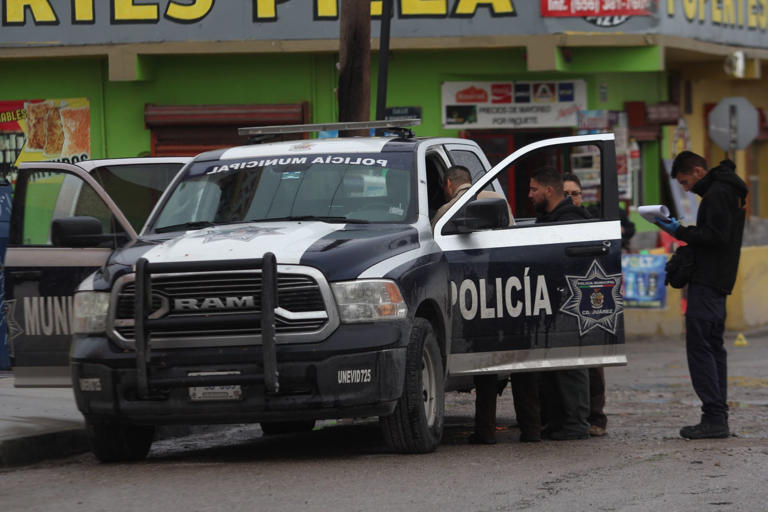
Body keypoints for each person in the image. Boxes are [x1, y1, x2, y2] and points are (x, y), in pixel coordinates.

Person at [432, 165, 541, 444]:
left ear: (448, 184)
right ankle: (532, 429)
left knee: (485, 366)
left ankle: (486, 430)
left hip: (474, 295)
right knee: (521, 364)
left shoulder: (446, 212)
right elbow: (514, 242)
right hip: (510, 292)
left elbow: (437, 254)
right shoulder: (498, 200)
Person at [656, 151, 747, 440]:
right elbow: (717, 234)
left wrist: (680, 231)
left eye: (686, 182)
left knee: (701, 347)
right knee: (712, 347)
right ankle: (717, 416)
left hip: (708, 281)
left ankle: (714, 417)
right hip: (717, 280)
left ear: (698, 171)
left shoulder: (718, 193)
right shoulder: (726, 190)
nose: (686, 189)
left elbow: (715, 237)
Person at [529, 166, 590, 441]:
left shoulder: (571, 219)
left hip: (569, 298)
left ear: (549, 190)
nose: (530, 194)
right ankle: (557, 421)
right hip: (551, 298)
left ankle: (576, 423)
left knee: (570, 363)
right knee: (552, 364)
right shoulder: (549, 218)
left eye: (534, 189)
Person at [562, 173, 608, 437]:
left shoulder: (591, 223)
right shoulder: (552, 222)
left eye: (575, 194)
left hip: (590, 293)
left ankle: (596, 416)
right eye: (566, 194)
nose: (571, 199)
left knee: (593, 360)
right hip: (563, 295)